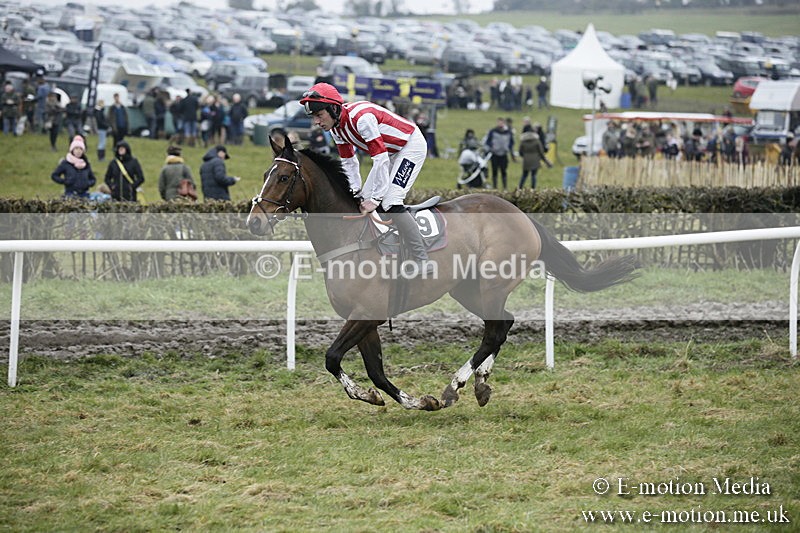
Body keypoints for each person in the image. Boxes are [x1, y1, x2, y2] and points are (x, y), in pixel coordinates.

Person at [300, 82, 434, 276]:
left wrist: (376, 199)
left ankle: (422, 257)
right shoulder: (336, 129)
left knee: (390, 201)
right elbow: (349, 164)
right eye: (314, 117)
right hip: (389, 153)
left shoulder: (361, 119)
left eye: (319, 115)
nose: (317, 122)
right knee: (362, 199)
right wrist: (355, 193)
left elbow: (379, 159)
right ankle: (388, 249)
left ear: (333, 109)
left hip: (410, 147)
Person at [51, 135, 96, 199]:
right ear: (72, 150)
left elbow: (93, 179)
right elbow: (54, 175)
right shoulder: (66, 163)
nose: (78, 151)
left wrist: (87, 183)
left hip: (84, 195)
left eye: (81, 149)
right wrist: (65, 181)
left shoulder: (86, 164)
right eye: (76, 148)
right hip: (70, 194)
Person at [484, 116, 515, 190]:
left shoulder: (508, 132)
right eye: (499, 122)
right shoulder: (493, 131)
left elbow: (512, 142)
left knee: (504, 171)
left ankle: (505, 187)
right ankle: (495, 187)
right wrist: (491, 147)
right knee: (494, 171)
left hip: (504, 154)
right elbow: (488, 141)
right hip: (494, 154)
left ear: (504, 123)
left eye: (501, 122)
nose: (500, 123)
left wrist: (508, 148)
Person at [517, 124, 551, 189]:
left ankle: (520, 187)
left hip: (526, 160)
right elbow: (541, 152)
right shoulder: (536, 141)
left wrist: (524, 156)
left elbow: (520, 151)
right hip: (535, 160)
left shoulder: (523, 141)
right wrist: (546, 162)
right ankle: (533, 188)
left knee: (524, 175)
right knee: (534, 175)